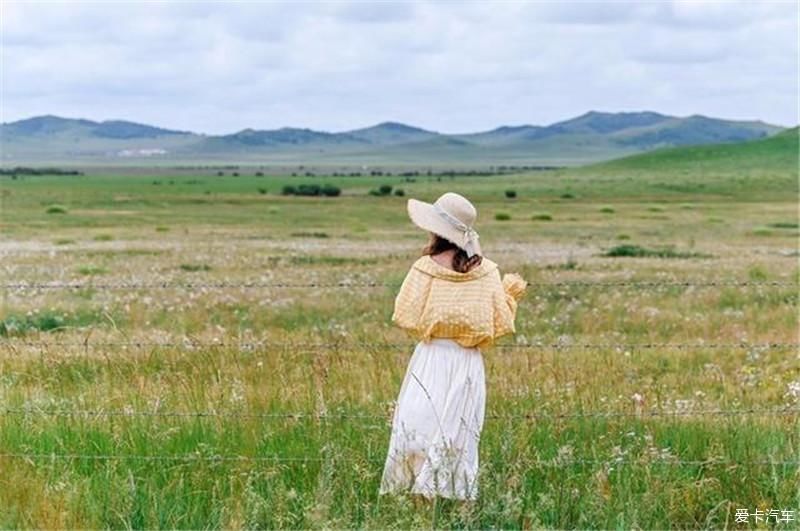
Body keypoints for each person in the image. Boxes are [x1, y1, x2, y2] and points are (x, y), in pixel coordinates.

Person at [378, 191, 528, 502]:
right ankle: (455, 503)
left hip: (431, 356)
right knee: (459, 434)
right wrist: (509, 296)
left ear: (436, 230)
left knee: (418, 426)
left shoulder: (424, 268)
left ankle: (419, 502)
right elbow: (500, 322)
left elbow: (405, 315)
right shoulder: (486, 272)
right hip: (467, 360)